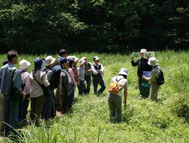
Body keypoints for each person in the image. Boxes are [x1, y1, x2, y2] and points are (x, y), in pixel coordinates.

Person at [0, 50, 25, 135]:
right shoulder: (15, 70)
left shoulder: (3, 68)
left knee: (6, 114)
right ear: (14, 58)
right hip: (13, 95)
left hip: (5, 93)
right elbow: (17, 85)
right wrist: (22, 93)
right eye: (17, 57)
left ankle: (6, 132)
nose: (17, 59)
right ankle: (13, 133)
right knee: (13, 114)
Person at [30, 57, 50, 126]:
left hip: (32, 93)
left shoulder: (32, 72)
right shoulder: (42, 73)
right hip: (39, 93)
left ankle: (31, 122)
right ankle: (36, 124)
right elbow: (46, 84)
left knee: (32, 108)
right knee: (38, 109)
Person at [42, 56, 56, 120]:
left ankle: (46, 115)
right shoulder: (50, 71)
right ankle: (47, 117)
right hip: (49, 89)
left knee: (45, 103)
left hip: (44, 90)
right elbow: (46, 81)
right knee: (48, 103)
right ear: (51, 63)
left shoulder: (43, 69)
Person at [18, 60, 31, 125]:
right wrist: (29, 93)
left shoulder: (16, 72)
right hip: (25, 93)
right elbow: (28, 86)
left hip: (17, 92)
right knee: (24, 106)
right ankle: (23, 120)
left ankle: (17, 119)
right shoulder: (27, 74)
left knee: (18, 106)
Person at [0, 60, 8, 132]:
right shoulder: (7, 72)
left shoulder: (1, 70)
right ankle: (3, 127)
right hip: (4, 93)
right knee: (4, 110)